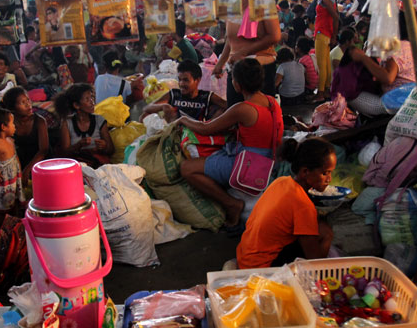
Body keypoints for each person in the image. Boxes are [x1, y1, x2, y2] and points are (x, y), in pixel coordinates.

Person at [177, 59, 283, 228]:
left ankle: (231, 204)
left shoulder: (243, 109)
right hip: (268, 162)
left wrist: (183, 120)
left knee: (187, 168)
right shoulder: (271, 102)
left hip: (249, 166)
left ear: (238, 84)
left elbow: (206, 129)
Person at [236, 137, 335, 268]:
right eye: (325, 173)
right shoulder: (303, 205)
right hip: (260, 270)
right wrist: (327, 240)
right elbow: (314, 262)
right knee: (325, 233)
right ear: (305, 171)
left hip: (244, 257)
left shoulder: (281, 182)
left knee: (316, 228)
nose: (329, 179)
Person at [213, 0, 282, 105]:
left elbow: (274, 36)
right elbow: (232, 39)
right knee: (235, 112)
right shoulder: (233, 7)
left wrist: (243, 53)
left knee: (259, 113)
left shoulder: (263, 2)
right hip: (235, 68)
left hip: (258, 68)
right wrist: (221, 62)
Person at [346, 17, 416, 115]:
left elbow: (388, 77)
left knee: (346, 91)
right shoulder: (408, 45)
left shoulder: (397, 48)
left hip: (395, 102)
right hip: (406, 97)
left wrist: (363, 58)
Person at [141, 60, 225, 122]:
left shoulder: (206, 96)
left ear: (197, 80)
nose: (181, 84)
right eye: (179, 79)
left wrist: (213, 119)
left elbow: (229, 107)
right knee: (144, 116)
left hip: (197, 134)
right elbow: (147, 108)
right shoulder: (174, 94)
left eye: (186, 80)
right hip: (175, 134)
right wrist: (164, 106)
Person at [56, 84, 113, 167]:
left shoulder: (99, 120)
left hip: (97, 163)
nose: (92, 102)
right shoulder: (67, 123)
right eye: (87, 99)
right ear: (76, 105)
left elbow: (111, 149)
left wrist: (104, 146)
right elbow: (64, 153)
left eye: (92, 98)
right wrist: (79, 145)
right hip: (78, 165)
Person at [1, 87, 50, 182]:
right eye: (23, 102)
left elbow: (43, 150)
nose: (28, 104)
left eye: (28, 100)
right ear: (12, 108)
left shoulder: (39, 121)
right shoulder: (10, 124)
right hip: (21, 159)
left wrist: (28, 170)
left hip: (39, 160)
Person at [307, 0, 340, 102]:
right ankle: (326, 90)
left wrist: (334, 36)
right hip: (325, 33)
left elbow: (336, 17)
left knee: (321, 65)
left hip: (322, 33)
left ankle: (320, 93)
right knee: (326, 64)